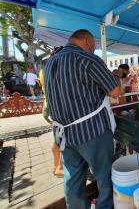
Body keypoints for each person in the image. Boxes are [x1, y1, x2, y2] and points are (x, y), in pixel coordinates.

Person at [44, 29, 121, 208]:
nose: (93, 50)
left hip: (64, 135)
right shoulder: (88, 59)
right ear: (87, 42)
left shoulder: (49, 63)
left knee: (73, 179)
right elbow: (115, 92)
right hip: (91, 131)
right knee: (105, 177)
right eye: (93, 47)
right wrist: (116, 75)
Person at [39, 47, 64, 177]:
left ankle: (55, 166)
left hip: (47, 105)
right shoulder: (56, 69)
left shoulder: (44, 70)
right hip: (54, 106)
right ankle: (59, 167)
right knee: (60, 137)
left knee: (57, 137)